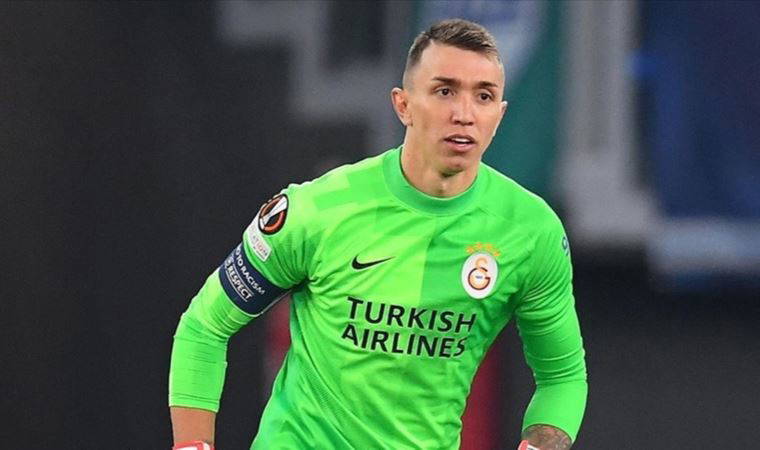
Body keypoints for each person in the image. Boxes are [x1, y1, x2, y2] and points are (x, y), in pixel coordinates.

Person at [169, 18, 587, 450]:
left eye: (483, 96)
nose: (464, 114)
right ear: (403, 105)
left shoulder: (531, 232)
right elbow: (205, 326)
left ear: (499, 115)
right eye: (444, 91)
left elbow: (562, 376)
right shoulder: (319, 209)